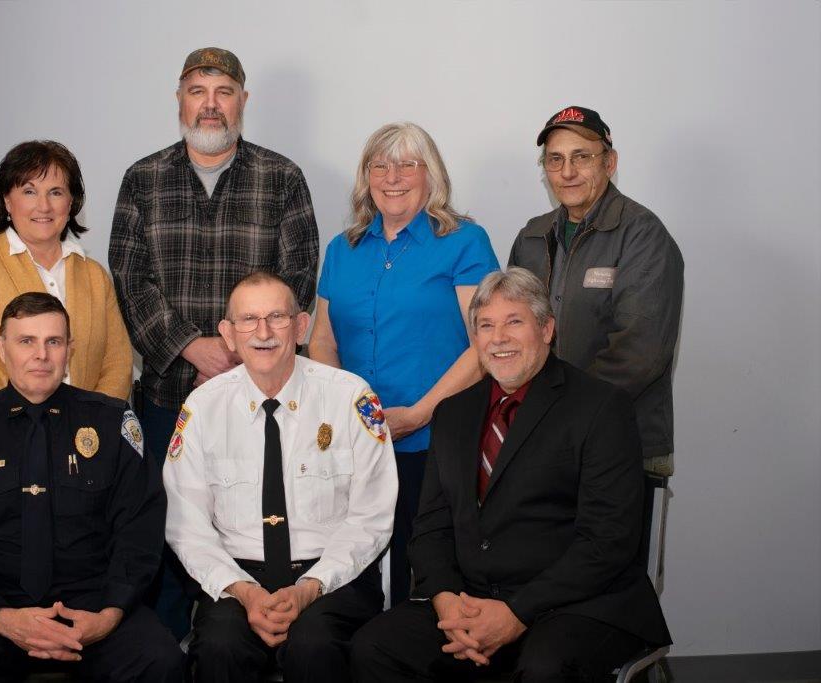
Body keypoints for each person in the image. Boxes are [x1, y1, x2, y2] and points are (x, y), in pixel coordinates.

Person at [351, 268, 671, 682]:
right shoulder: (452, 413)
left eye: (514, 322)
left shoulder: (601, 407)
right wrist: (447, 603)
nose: (498, 338)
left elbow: (607, 541)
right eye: (486, 326)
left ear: (547, 329)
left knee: (544, 669)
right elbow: (431, 527)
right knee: (373, 648)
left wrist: (516, 613)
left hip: (574, 603)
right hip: (471, 597)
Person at [109, 46, 319, 638]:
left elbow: (298, 279)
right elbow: (129, 279)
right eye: (197, 92)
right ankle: (167, 646)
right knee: (171, 524)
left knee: (254, 519)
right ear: (179, 100)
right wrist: (190, 347)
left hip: (260, 397)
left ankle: (248, 639)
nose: (210, 105)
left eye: (223, 92)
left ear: (242, 101)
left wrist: (235, 354)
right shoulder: (143, 179)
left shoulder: (283, 179)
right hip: (168, 395)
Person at [0, 293, 182, 681]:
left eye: (53, 341)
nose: (41, 355)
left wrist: (109, 615)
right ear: (1, 347)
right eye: (26, 341)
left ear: (69, 349)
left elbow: (140, 531)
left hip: (92, 605)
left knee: (162, 663)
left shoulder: (111, 424)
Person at [163, 272, 397, 683]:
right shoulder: (203, 408)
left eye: (277, 317)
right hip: (239, 579)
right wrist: (244, 591)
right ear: (228, 334)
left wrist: (310, 586)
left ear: (301, 326)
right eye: (248, 319)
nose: (264, 332)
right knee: (220, 646)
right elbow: (187, 526)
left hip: (331, 576)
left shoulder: (349, 398)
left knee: (314, 645)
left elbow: (371, 517)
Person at [308, 122, 498, 605]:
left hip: (437, 439)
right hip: (356, 442)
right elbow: (322, 341)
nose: (392, 177)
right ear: (366, 176)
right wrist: (351, 414)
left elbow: (487, 343)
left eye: (408, 165)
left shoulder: (465, 242)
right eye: (380, 166)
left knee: (429, 574)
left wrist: (419, 414)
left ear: (431, 174)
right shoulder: (342, 249)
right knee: (354, 571)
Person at [508, 106, 684, 476]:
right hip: (544, 440)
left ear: (609, 162)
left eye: (581, 157)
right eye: (555, 159)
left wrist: (558, 410)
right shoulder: (531, 237)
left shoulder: (643, 235)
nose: (567, 172)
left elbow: (639, 352)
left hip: (620, 442)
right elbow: (512, 330)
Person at [0, 140, 132, 418]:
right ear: (8, 201)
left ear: (71, 203)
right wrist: (24, 429)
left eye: (55, 192)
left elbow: (118, 364)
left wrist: (88, 426)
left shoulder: (95, 276)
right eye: (29, 191)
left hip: (82, 437)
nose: (44, 206)